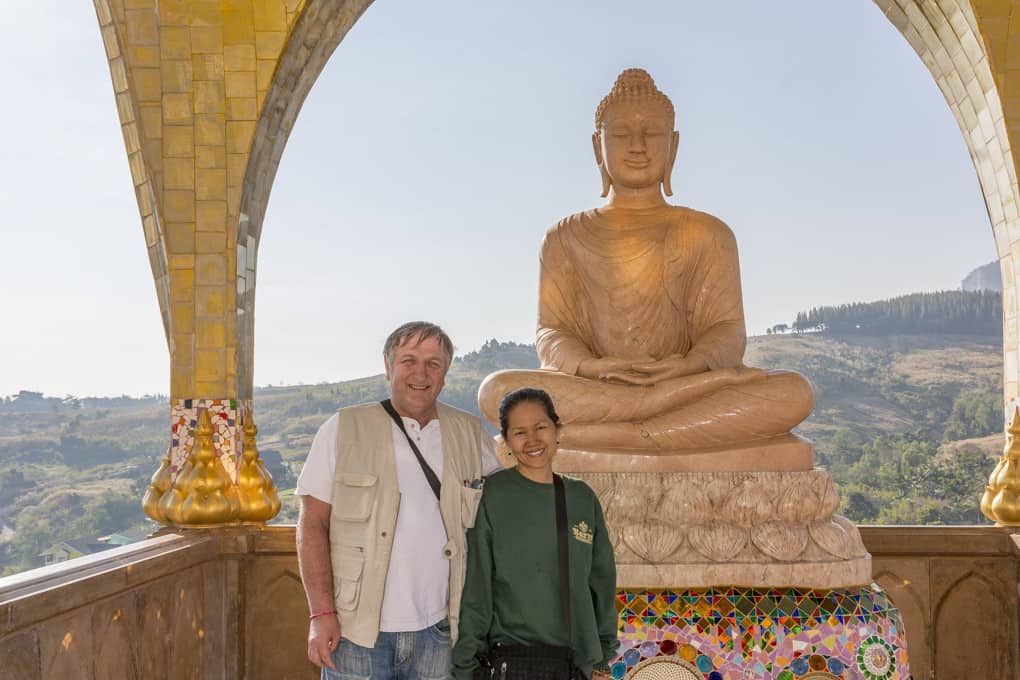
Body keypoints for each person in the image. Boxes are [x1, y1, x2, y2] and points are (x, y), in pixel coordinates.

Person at [478, 69, 814, 452]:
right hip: (599, 388)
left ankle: (601, 436)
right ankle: (651, 423)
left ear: (673, 146)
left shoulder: (708, 233)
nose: (637, 146)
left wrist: (690, 367)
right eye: (621, 135)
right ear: (597, 147)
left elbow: (726, 329)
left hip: (683, 384)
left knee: (794, 392)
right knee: (496, 391)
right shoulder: (564, 237)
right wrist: (593, 367)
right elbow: (552, 333)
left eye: (651, 134)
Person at [297, 321, 504, 680]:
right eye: (409, 361)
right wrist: (321, 614)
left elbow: (507, 512)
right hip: (355, 633)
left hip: (441, 631)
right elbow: (311, 523)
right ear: (388, 366)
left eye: (433, 364)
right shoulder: (342, 429)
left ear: (445, 374)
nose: (420, 373)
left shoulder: (470, 434)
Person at [451, 388, 617, 679]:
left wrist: (602, 656)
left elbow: (601, 583)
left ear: (557, 429)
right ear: (506, 442)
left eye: (541, 427)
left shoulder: (581, 497)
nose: (533, 441)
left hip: (576, 664)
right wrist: (466, 666)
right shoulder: (493, 496)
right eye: (520, 432)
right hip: (513, 661)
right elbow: (478, 588)